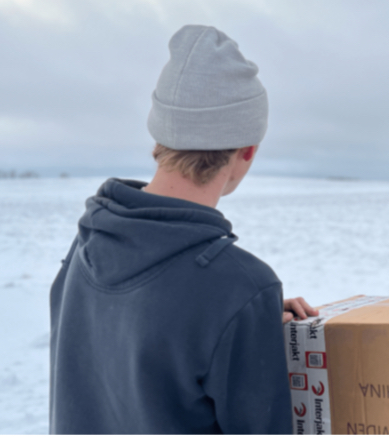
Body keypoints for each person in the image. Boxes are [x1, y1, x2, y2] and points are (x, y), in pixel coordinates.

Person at [49, 25, 316, 434]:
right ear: (247, 150)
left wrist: (244, 325)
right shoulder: (239, 286)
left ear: (158, 137)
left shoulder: (89, 244)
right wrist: (239, 314)